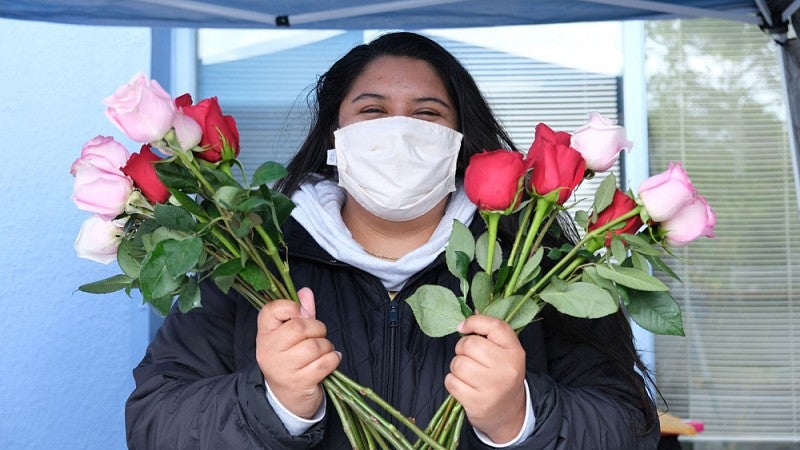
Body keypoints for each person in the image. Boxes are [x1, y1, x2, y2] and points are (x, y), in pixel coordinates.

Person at [125, 31, 660, 449]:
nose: (399, 130)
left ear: (459, 143)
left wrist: (519, 417)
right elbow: (153, 421)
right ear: (335, 137)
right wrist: (276, 404)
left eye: (427, 113)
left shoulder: (539, 269)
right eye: (372, 111)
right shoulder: (252, 262)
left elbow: (630, 425)